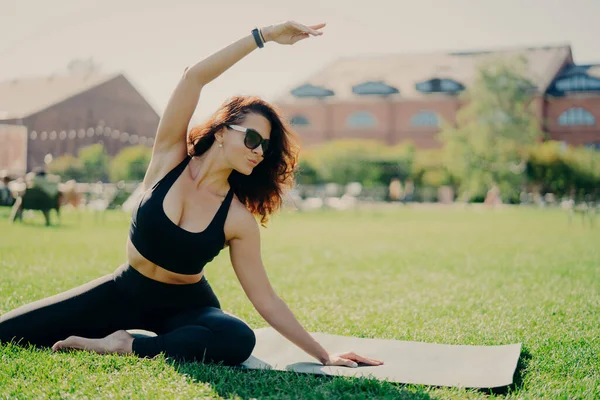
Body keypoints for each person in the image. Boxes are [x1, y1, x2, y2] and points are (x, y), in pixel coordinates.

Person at [0, 21, 383, 369]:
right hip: (122, 291)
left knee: (236, 338)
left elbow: (266, 299)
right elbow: (193, 78)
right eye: (251, 138)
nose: (258, 150)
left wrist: (322, 354)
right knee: (8, 331)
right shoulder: (169, 158)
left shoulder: (237, 219)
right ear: (221, 132)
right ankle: (126, 336)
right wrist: (263, 36)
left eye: (265, 146)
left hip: (184, 309)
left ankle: (124, 346)